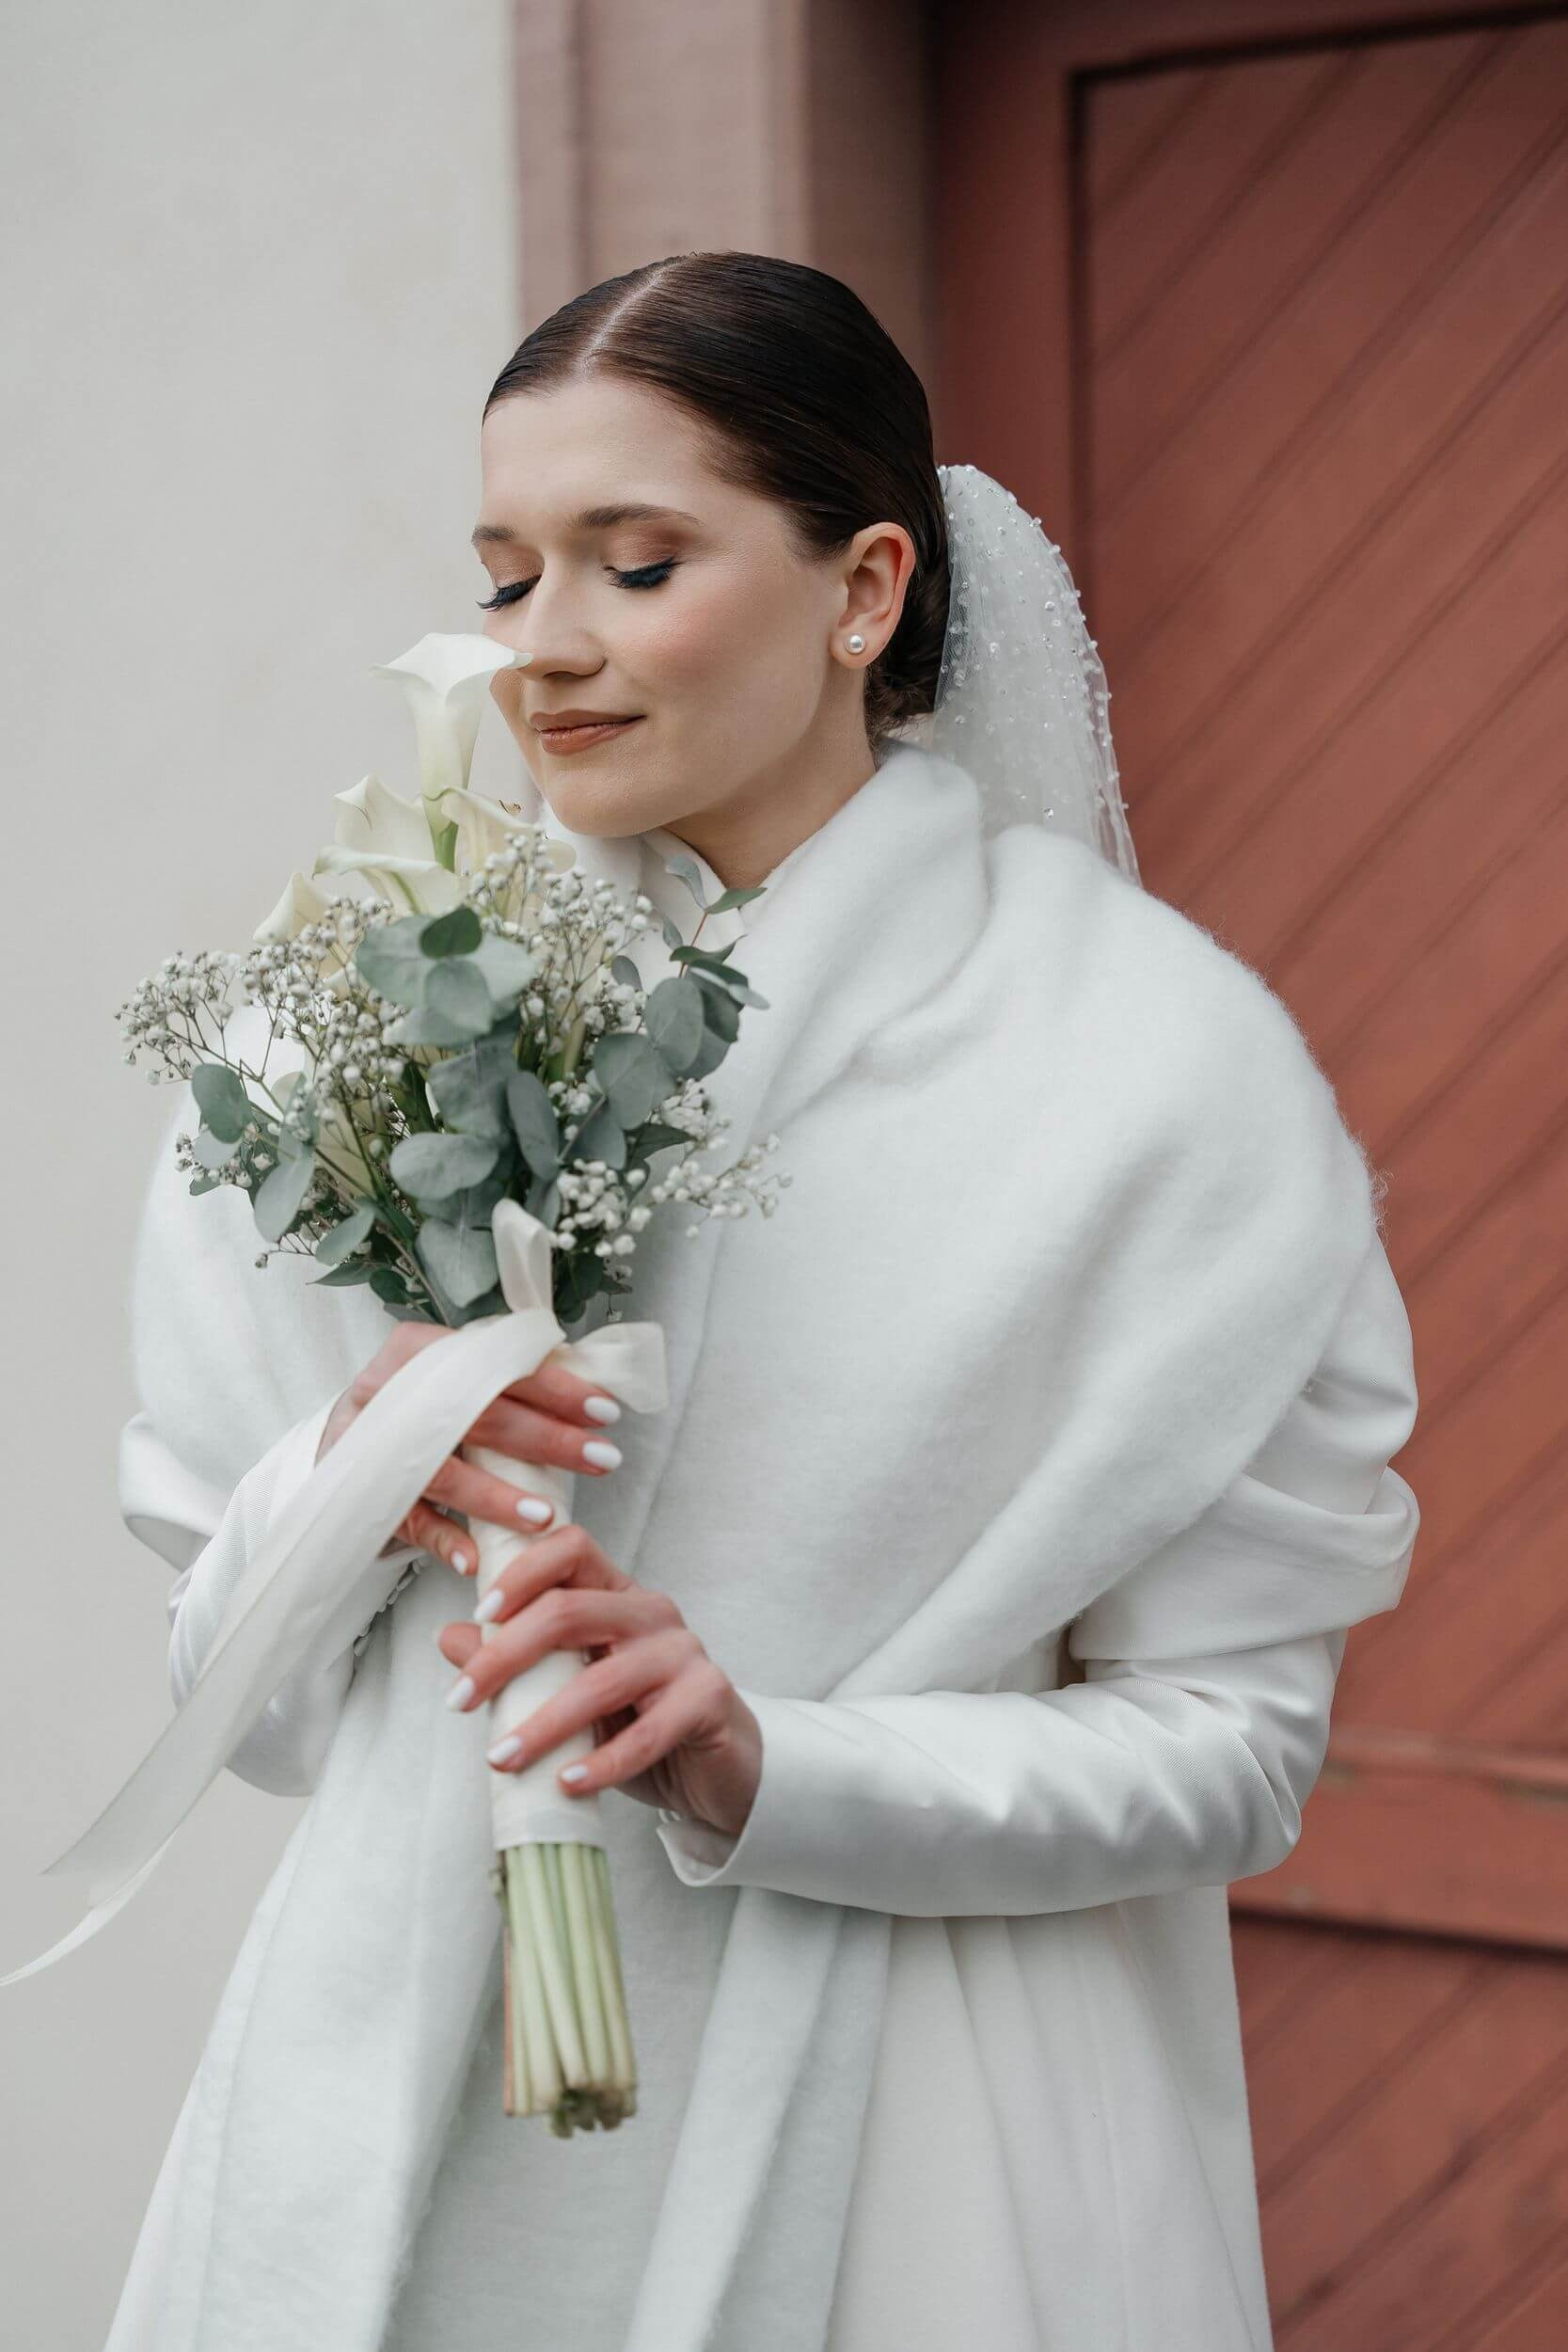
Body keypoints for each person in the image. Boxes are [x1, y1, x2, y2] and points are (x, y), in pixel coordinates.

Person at [103, 251, 1419, 2352]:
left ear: (865, 585)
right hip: (386, 2111)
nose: (547, 650)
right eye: (511, 574)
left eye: (638, 564)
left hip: (919, 2130)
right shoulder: (360, 1014)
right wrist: (355, 1474)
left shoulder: (1161, 1079)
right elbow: (240, 1695)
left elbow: (1236, 1751)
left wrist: (767, 1759)